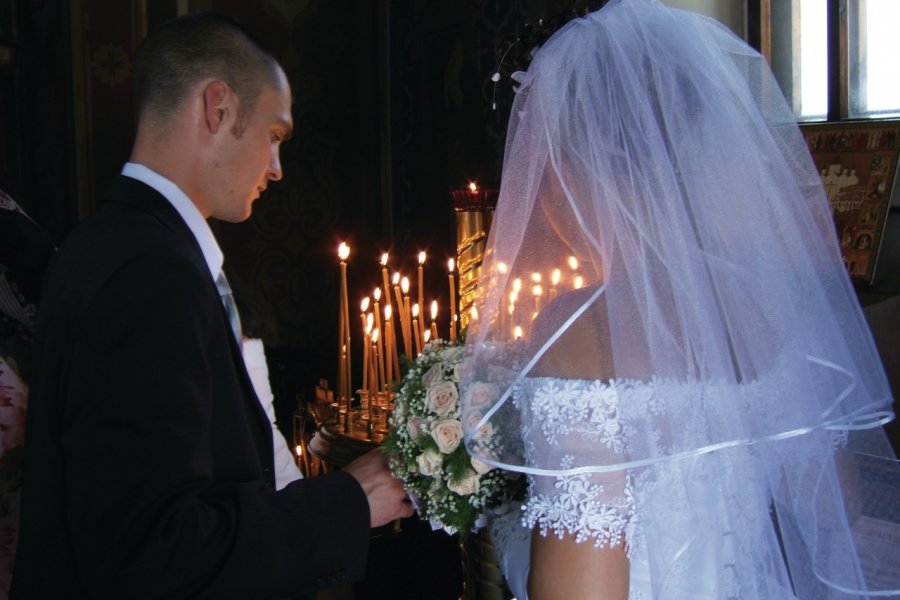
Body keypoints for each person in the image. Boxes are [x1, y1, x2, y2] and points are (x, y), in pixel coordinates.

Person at [459, 1, 899, 598]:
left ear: (570, 165)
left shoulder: (577, 332)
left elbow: (581, 592)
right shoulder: (762, 303)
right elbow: (832, 509)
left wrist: (510, 537)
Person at [11, 12, 412, 600]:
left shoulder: (113, 242)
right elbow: (154, 553)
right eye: (274, 136)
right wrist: (347, 501)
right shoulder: (147, 274)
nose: (276, 169)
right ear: (217, 108)